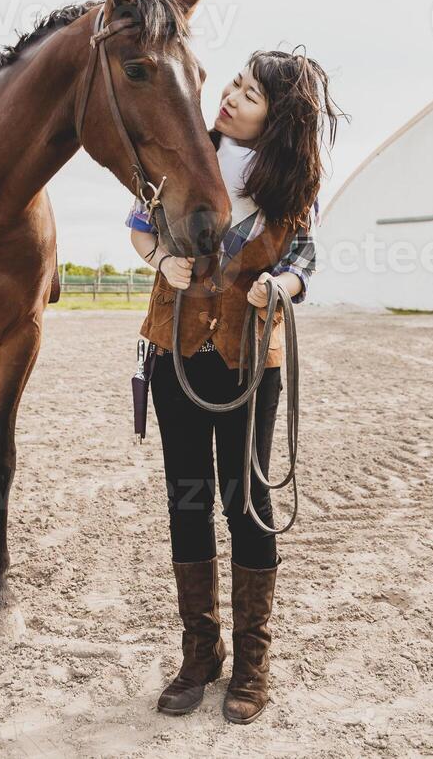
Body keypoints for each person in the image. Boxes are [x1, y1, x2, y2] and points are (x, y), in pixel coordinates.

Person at [127, 48, 342, 724]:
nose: (231, 96)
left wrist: (284, 284)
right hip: (176, 350)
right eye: (235, 84)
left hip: (252, 361)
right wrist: (164, 261)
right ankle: (200, 654)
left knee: (245, 501)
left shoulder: (292, 184)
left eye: (250, 94)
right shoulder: (179, 154)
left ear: (276, 119)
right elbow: (138, 228)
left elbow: (305, 252)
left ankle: (252, 660)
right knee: (185, 499)